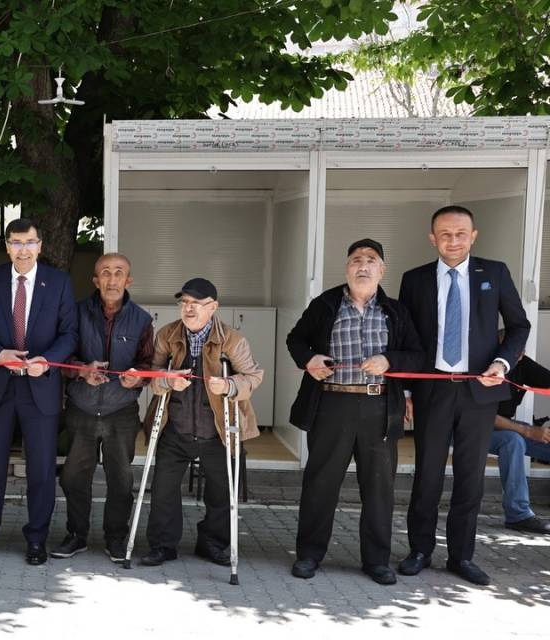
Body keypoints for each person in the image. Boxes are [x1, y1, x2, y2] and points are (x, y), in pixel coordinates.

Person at [397, 205, 530, 586]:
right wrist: (406, 388)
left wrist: (503, 363)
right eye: (445, 234)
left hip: (480, 392)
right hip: (432, 390)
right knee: (427, 475)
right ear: (432, 238)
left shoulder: (495, 273)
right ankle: (420, 550)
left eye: (460, 234)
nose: (452, 241)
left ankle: (461, 556)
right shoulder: (415, 279)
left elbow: (519, 325)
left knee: (470, 477)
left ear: (473, 236)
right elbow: (409, 339)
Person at [285, 239, 425, 585]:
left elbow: (417, 355)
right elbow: (296, 340)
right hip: (332, 404)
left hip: (379, 406)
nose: (363, 265)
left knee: (379, 489)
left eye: (371, 260)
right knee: (321, 485)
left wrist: (390, 360)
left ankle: (376, 561)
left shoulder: (395, 311)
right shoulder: (326, 304)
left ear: (382, 269)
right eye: (356, 260)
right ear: (346, 267)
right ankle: (308, 555)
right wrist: (309, 359)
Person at [0, 218, 77, 565]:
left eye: (29, 242)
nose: (23, 250)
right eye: (16, 242)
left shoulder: (58, 283)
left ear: (40, 245)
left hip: (40, 386)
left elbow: (69, 334)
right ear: (7, 246)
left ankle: (36, 539)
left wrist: (49, 360)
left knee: (42, 469)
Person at [140, 277, 262, 568]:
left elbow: (253, 377)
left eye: (196, 303)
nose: (189, 309)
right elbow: (153, 376)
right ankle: (163, 545)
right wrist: (167, 381)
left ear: (213, 307)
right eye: (184, 303)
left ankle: (214, 543)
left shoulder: (232, 340)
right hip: (176, 427)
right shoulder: (168, 335)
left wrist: (230, 386)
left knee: (221, 492)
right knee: (163, 490)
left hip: (217, 431)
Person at [52, 253, 153, 563]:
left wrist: (136, 379)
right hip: (81, 409)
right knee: (72, 477)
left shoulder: (142, 319)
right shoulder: (76, 313)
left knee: (121, 480)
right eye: (105, 273)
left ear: (128, 280)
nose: (112, 279)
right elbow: (61, 358)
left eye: (119, 273)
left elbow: (149, 365)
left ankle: (116, 538)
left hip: (120, 412)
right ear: (95, 280)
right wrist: (82, 370)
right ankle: (77, 535)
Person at [488, 349, 550, 535]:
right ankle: (518, 515)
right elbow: (486, 416)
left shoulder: (520, 361)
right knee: (513, 441)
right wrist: (529, 431)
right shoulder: (483, 364)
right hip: (471, 428)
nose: (521, 350)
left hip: (507, 425)